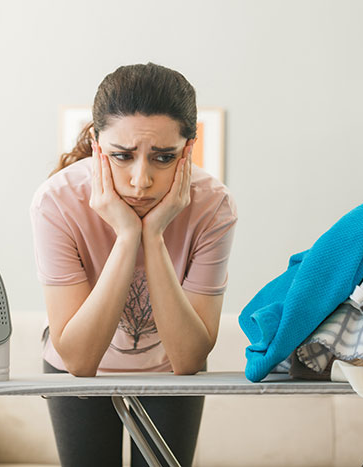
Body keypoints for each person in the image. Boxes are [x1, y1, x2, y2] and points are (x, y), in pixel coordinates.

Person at [30, 63, 237, 466]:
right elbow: (78, 360)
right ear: (96, 143)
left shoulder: (214, 206)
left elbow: (189, 359)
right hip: (77, 376)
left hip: (167, 374)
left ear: (188, 149)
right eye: (122, 156)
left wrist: (153, 236)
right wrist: (127, 237)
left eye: (164, 158)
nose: (140, 180)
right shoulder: (57, 202)